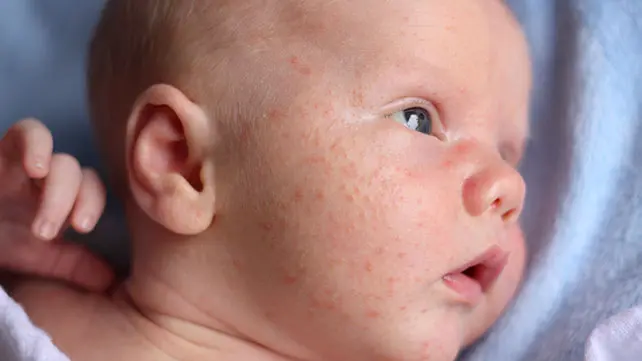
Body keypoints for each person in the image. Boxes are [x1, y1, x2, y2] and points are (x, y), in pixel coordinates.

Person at [2, 0, 531, 360]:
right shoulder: (43, 312)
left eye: (509, 153)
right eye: (418, 118)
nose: (509, 185)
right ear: (180, 162)